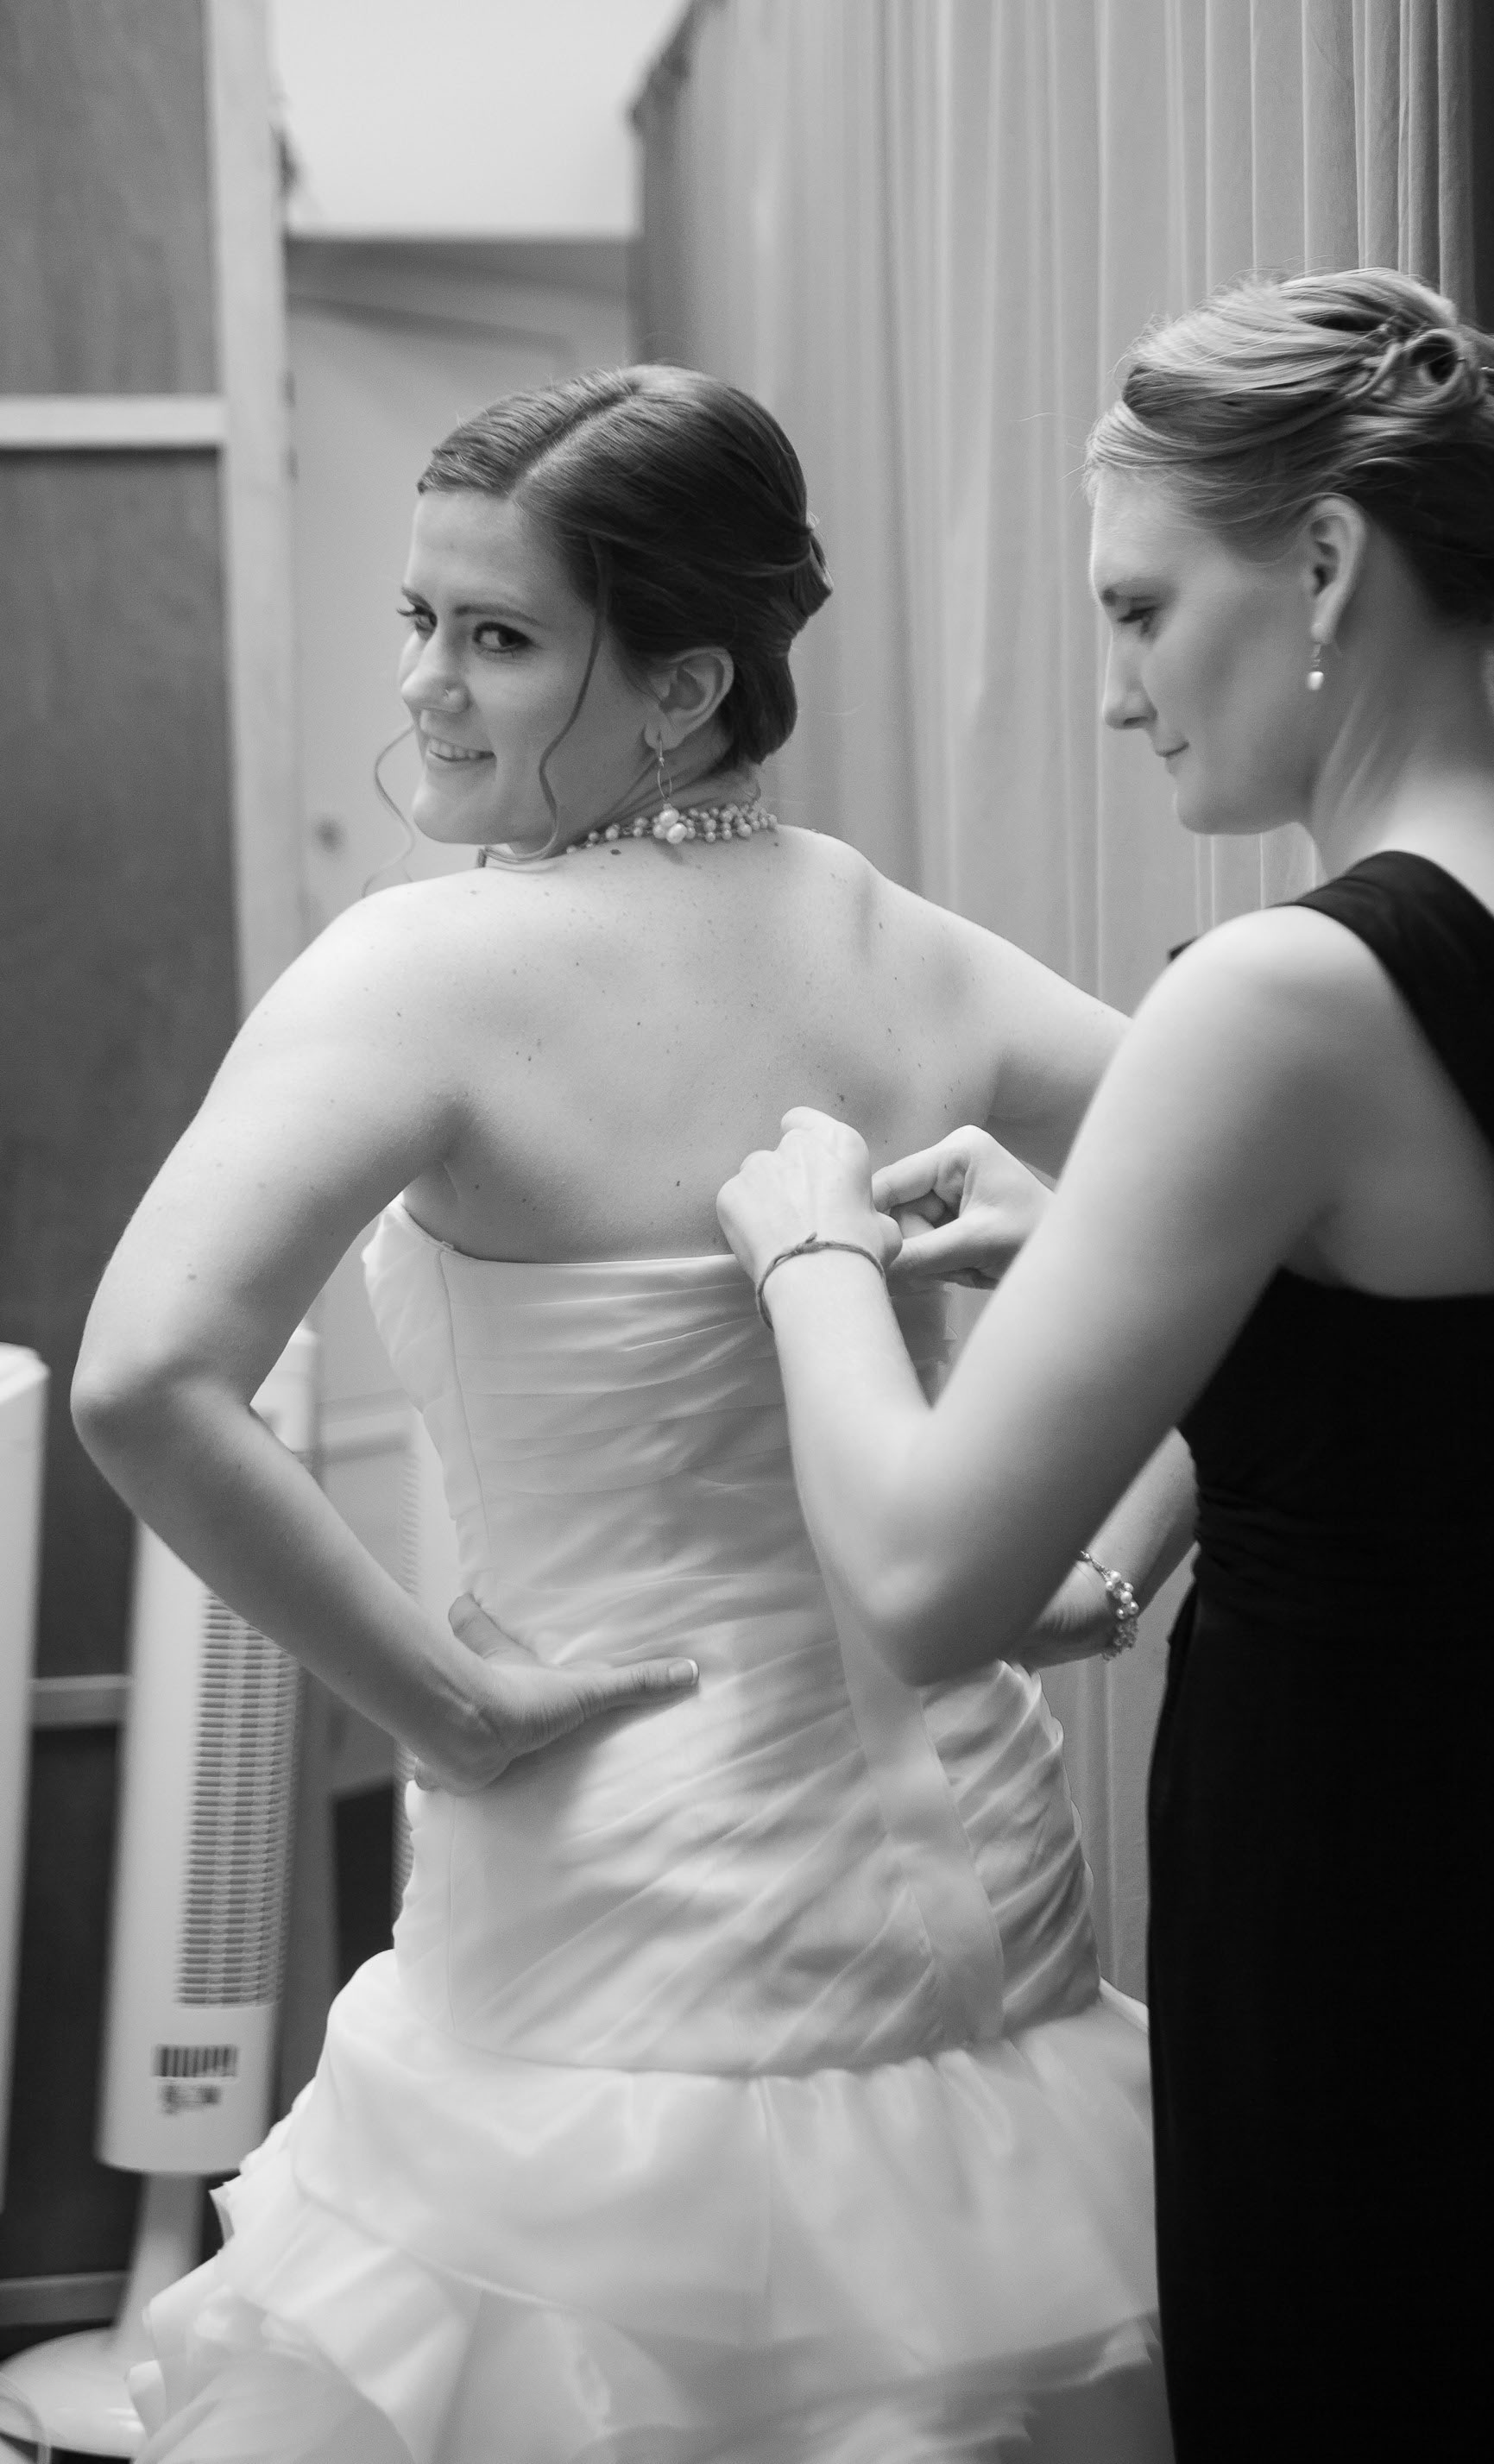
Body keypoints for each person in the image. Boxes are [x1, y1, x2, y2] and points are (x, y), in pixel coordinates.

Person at [72, 367, 1180, 2464]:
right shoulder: (894, 938)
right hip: (977, 1890)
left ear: (679, 690)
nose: (427, 687)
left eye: (497, 638)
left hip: (608, 1881)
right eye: (421, 620)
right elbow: (1267, 1236)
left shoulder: (423, 972)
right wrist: (1104, 1551)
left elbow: (143, 1382)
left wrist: (442, 1707)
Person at [716, 269, 1494, 2461]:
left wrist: (802, 1244)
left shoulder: (1276, 995)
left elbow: (924, 1586)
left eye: (1139, 609)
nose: (1114, 693)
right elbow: (1464, 1379)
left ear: (1330, 570)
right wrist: (1098, 1243)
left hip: (1362, 1911)